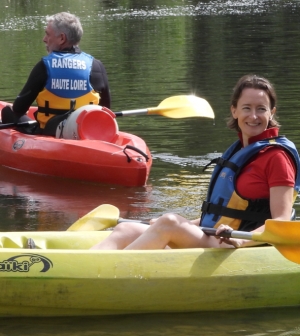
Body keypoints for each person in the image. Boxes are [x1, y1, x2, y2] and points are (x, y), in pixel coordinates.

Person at [91, 74, 300, 250]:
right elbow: (219, 214)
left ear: (271, 113)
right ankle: (88, 266)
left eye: (261, 109)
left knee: (169, 222)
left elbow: (280, 221)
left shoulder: (277, 157)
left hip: (238, 246)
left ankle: (107, 276)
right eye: (246, 108)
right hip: (214, 237)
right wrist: (186, 224)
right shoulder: (240, 151)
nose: (253, 116)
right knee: (128, 229)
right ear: (234, 111)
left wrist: (239, 238)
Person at [1, 12, 111, 136]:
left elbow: (18, 109)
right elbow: (106, 111)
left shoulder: (44, 66)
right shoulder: (96, 66)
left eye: (48, 34)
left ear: (62, 38)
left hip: (49, 133)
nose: (44, 39)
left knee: (7, 111)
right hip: (86, 132)